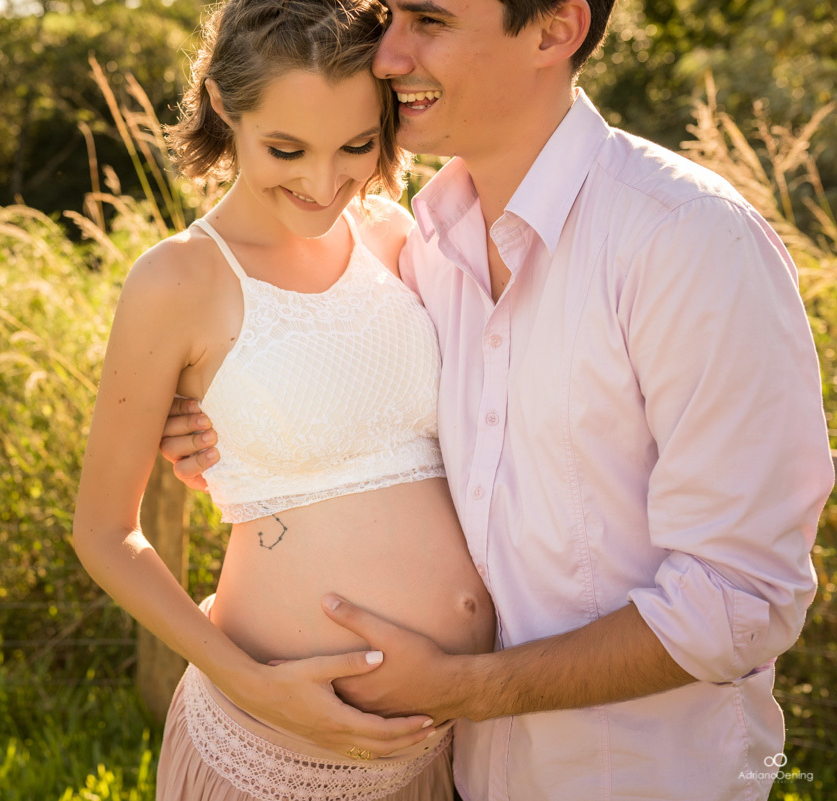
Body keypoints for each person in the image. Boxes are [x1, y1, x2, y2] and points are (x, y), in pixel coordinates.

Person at [159, 0, 835, 799]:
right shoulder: (423, 246)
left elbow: (741, 598)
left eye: (428, 21)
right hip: (450, 772)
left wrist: (465, 685)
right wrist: (220, 426)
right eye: (391, 16)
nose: (386, 56)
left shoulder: (688, 240)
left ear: (555, 30)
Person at [72, 1, 497, 799]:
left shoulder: (396, 237)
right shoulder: (178, 279)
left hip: (441, 749)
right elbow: (103, 531)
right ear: (227, 108)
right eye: (286, 149)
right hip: (271, 748)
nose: (323, 180)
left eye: (356, 146)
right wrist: (249, 681)